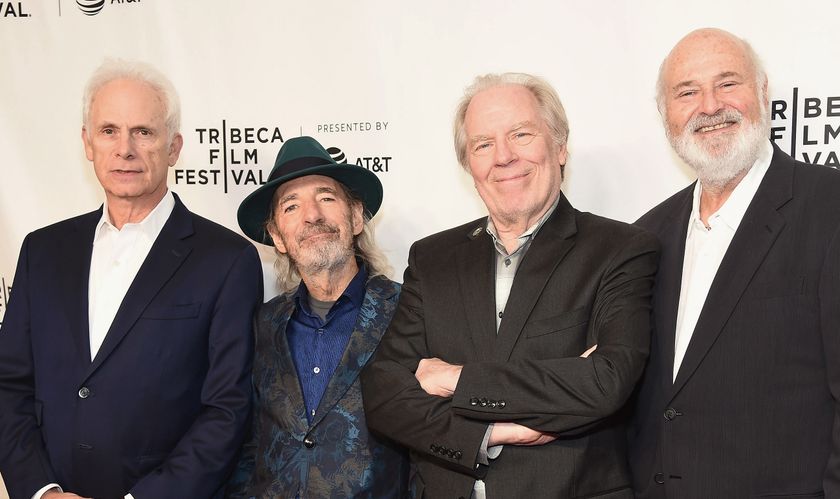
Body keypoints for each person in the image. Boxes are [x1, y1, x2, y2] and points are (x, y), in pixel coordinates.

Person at [361, 72, 659, 499]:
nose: (503, 157)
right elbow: (385, 394)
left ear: (559, 147)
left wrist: (453, 379)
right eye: (483, 144)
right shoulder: (432, 258)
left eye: (520, 135)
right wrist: (492, 433)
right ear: (469, 166)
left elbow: (606, 381)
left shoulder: (620, 249)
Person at [0, 59, 263, 499]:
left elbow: (227, 410)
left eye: (143, 132)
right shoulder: (42, 251)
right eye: (109, 131)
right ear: (87, 142)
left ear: (174, 147)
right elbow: (9, 385)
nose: (125, 149)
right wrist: (41, 490)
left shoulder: (227, 259)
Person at [628, 28, 840, 498]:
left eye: (728, 83)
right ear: (666, 116)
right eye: (687, 92)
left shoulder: (830, 208)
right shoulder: (646, 235)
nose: (709, 106)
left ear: (763, 94)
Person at [225, 136, 408, 498]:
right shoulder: (263, 324)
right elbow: (250, 445)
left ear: (356, 216)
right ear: (277, 235)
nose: (312, 215)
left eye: (326, 197)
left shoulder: (406, 312)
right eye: (291, 207)